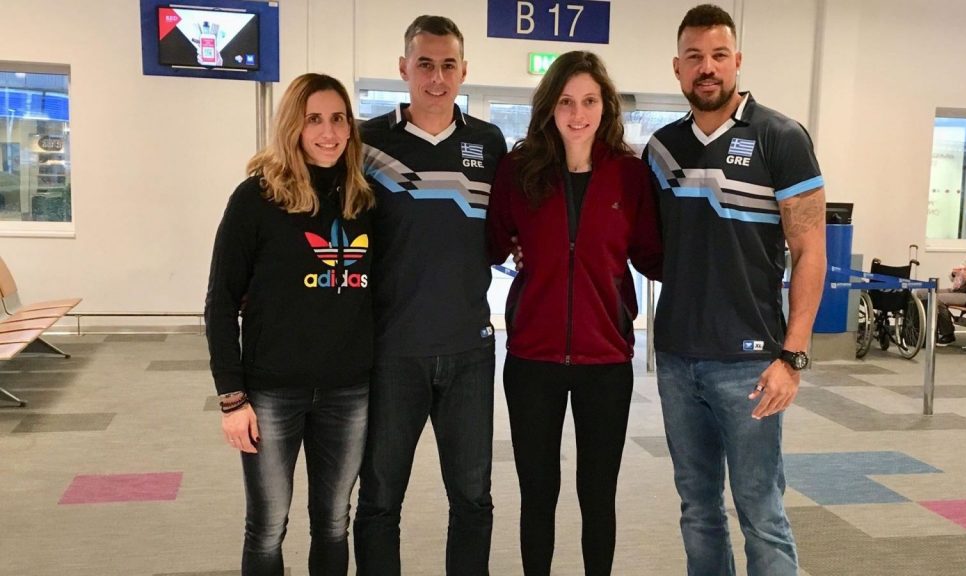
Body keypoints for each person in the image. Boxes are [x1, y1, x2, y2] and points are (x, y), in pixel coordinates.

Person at [643, 5, 826, 575]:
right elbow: (648, 243)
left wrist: (792, 356)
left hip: (750, 365)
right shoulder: (660, 150)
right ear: (677, 67)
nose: (708, 67)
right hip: (677, 360)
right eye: (695, 56)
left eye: (719, 55)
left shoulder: (780, 138)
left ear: (737, 61)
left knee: (761, 513)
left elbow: (811, 254)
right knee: (698, 511)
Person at [487, 51, 662, 575]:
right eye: (566, 101)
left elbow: (653, 255)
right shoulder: (519, 170)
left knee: (597, 494)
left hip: (606, 361)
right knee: (538, 493)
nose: (578, 113)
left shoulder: (629, 174)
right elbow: (491, 241)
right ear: (549, 107)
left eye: (589, 101)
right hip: (531, 360)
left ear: (605, 106)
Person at [353, 15, 507, 576]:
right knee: (379, 501)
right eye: (425, 65)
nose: (436, 78)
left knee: (472, 500)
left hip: (469, 351)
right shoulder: (369, 143)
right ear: (404, 69)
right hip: (392, 351)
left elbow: (508, 229)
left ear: (464, 71)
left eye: (447, 65)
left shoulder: (489, 143)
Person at [205, 73, 376, 576]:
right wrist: (232, 398)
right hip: (272, 393)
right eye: (314, 119)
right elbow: (219, 303)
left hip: (348, 390)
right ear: (292, 127)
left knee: (334, 522)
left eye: (338, 118)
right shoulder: (255, 199)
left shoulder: (363, 201)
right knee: (267, 525)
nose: (329, 132)